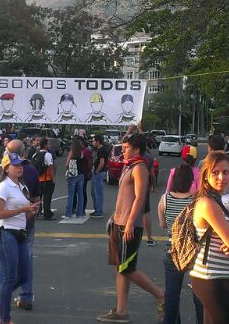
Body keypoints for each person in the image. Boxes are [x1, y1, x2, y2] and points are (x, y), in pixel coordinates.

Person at [97, 132, 165, 323]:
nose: (123, 151)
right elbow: (123, 197)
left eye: (126, 148)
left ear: (136, 149)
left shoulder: (140, 168)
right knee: (120, 268)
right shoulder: (130, 166)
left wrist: (129, 222)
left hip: (129, 225)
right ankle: (121, 311)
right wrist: (113, 216)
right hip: (118, 223)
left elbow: (140, 198)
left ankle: (161, 295)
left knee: (127, 268)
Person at [190, 152, 229, 324]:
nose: (221, 177)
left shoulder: (224, 202)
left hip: (225, 276)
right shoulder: (207, 204)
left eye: (226, 172)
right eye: (215, 172)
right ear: (206, 176)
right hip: (210, 278)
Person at [0, 153, 40, 324]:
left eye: (22, 164)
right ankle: (4, 318)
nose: (20, 167)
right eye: (16, 165)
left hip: (20, 233)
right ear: (7, 168)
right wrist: (23, 209)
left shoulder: (22, 187)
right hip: (5, 233)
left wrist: (31, 211)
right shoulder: (3, 187)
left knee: (23, 276)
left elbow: (24, 214)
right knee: (9, 277)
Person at [158, 164, 203, 324]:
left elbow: (163, 224)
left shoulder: (165, 199)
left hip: (172, 249)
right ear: (191, 180)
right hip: (193, 252)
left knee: (172, 293)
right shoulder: (197, 200)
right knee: (198, 293)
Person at [35, 138, 56, 220]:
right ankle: (47, 214)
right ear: (45, 145)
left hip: (37, 180)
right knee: (47, 198)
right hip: (46, 179)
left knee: (37, 198)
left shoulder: (36, 154)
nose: (50, 145)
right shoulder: (48, 155)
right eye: (49, 144)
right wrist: (53, 178)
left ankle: (36, 212)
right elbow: (51, 167)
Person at [65, 139, 85, 219]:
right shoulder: (82, 152)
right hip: (81, 174)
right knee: (80, 194)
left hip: (73, 175)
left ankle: (68, 213)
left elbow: (67, 164)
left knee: (71, 194)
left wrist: (67, 169)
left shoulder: (72, 152)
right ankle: (79, 213)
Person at [91, 135, 108, 218]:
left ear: (98, 141)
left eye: (94, 141)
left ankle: (98, 211)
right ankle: (97, 210)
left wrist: (97, 171)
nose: (92, 142)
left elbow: (102, 163)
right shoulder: (100, 149)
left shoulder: (101, 150)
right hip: (98, 172)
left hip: (99, 173)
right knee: (94, 192)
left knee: (98, 193)